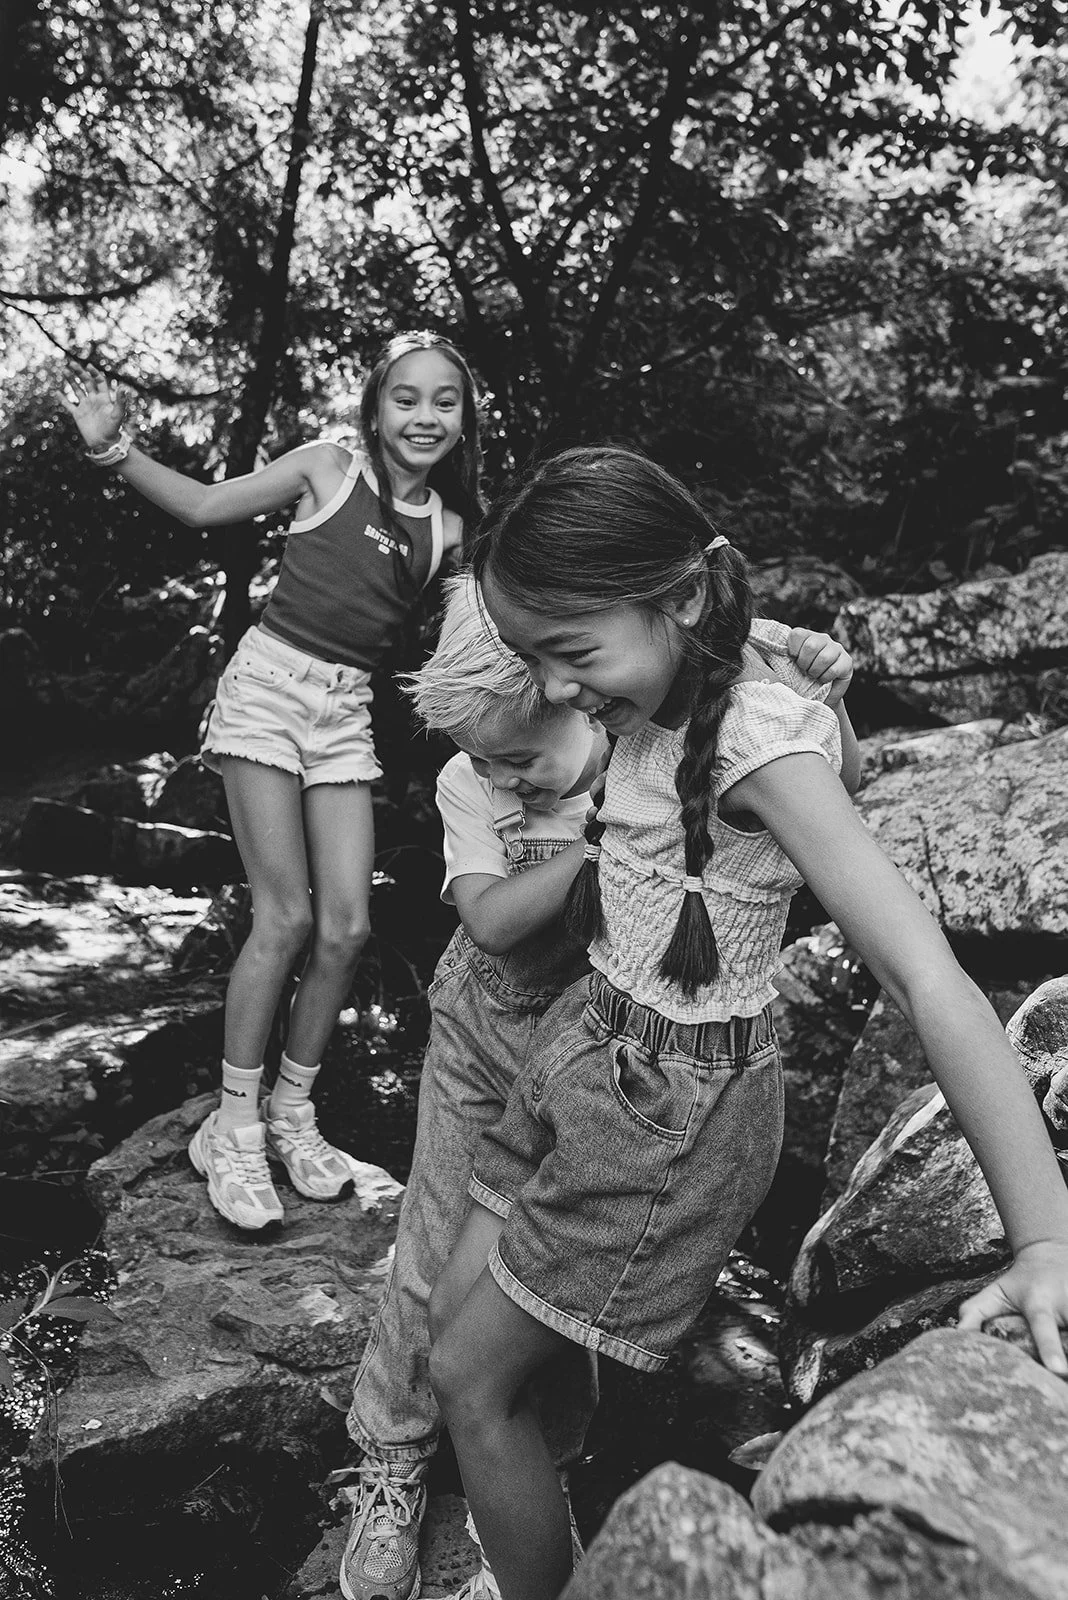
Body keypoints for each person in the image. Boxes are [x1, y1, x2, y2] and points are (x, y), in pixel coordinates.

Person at [425, 447, 1068, 1600]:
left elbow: (927, 975)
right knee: (456, 1342)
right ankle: (546, 1527)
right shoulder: (693, 668)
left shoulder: (754, 739)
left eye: (572, 654)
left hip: (669, 1111)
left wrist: (1044, 1239)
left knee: (473, 1386)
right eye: (534, 659)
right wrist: (811, 681)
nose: (560, 690)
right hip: (582, 1046)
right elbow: (827, 742)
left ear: (676, 595)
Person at [339, 572, 856, 1600]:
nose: (507, 778)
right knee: (431, 1256)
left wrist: (816, 687)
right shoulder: (485, 781)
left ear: (571, 695)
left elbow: (743, 719)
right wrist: (594, 837)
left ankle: (534, 1484)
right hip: (492, 1029)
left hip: (598, 1048)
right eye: (485, 761)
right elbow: (489, 920)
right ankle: (393, 1464)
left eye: (524, 756)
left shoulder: (635, 737)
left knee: (536, 1300)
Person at [59, 332, 483, 1232]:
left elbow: (474, 640)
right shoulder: (327, 469)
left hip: (344, 712)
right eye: (405, 398)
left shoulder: (447, 530)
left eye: (444, 401)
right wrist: (113, 448)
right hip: (266, 690)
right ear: (375, 409)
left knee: (348, 926)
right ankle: (235, 1123)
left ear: (463, 420)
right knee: (283, 915)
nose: (424, 416)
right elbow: (208, 506)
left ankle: (293, 1111)